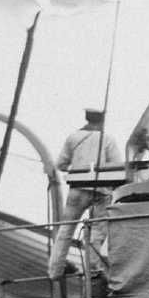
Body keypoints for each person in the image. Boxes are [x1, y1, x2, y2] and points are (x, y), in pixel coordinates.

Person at [48, 108, 123, 285]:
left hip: (77, 189)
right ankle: (93, 270)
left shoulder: (73, 137)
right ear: (102, 120)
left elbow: (61, 164)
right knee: (97, 231)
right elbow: (117, 166)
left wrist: (78, 167)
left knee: (66, 229)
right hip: (101, 191)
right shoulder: (107, 139)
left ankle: (55, 270)